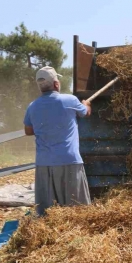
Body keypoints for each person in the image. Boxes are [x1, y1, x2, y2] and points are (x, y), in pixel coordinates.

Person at [23, 66, 93, 216]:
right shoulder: (70, 100)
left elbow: (28, 130)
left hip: (44, 164)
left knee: (48, 214)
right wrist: (86, 104)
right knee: (77, 210)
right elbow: (85, 113)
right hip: (69, 161)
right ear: (56, 84)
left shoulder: (32, 107)